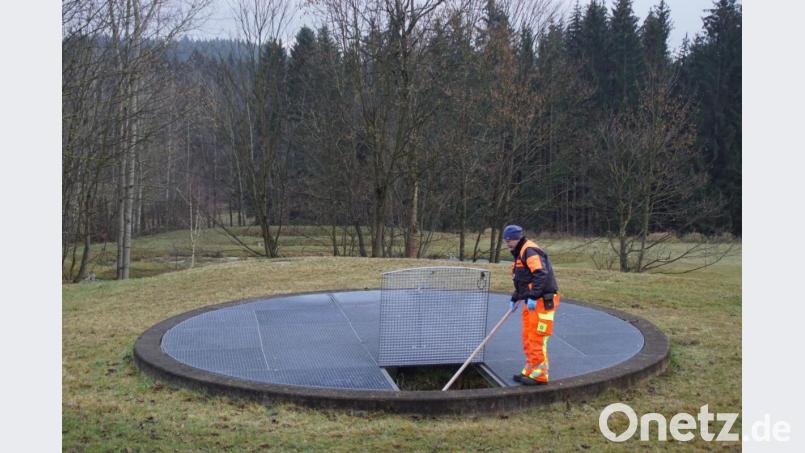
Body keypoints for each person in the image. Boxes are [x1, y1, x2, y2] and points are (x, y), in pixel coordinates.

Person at [503, 224, 560, 385]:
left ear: (517, 238)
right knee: (528, 337)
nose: (508, 244)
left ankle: (540, 375)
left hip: (542, 301)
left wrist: (534, 296)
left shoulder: (529, 251)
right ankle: (530, 370)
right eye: (506, 241)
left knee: (537, 338)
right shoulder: (519, 252)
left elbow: (540, 274)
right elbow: (524, 279)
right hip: (531, 301)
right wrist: (515, 297)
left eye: (510, 240)